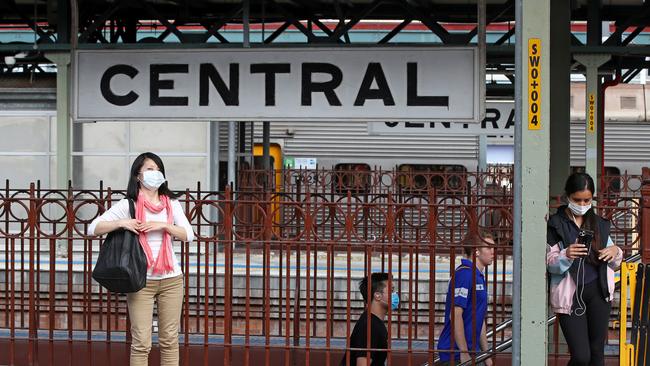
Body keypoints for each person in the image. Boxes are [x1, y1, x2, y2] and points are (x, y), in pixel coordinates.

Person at [89, 152, 194, 366]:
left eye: (158, 169)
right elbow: (93, 228)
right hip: (141, 280)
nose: (154, 173)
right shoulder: (127, 204)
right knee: (141, 343)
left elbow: (189, 235)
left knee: (169, 340)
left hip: (171, 279)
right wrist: (123, 223)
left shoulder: (171, 203)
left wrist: (164, 225)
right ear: (138, 175)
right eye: (149, 169)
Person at [547, 172, 622, 366]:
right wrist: (566, 254)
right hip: (570, 295)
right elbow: (550, 264)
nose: (582, 204)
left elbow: (615, 262)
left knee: (597, 353)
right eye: (577, 200)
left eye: (587, 200)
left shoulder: (599, 223)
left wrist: (615, 251)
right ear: (568, 197)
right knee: (581, 356)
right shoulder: (555, 224)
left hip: (599, 291)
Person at [437, 231, 495, 366]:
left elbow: (478, 318)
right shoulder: (465, 274)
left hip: (471, 352)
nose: (493, 252)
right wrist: (463, 353)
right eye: (489, 248)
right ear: (476, 252)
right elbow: (455, 315)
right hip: (456, 354)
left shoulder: (478, 276)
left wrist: (486, 355)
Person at [340, 272, 399, 366]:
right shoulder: (370, 326)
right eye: (391, 291)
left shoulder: (373, 322)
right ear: (377, 295)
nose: (395, 295)